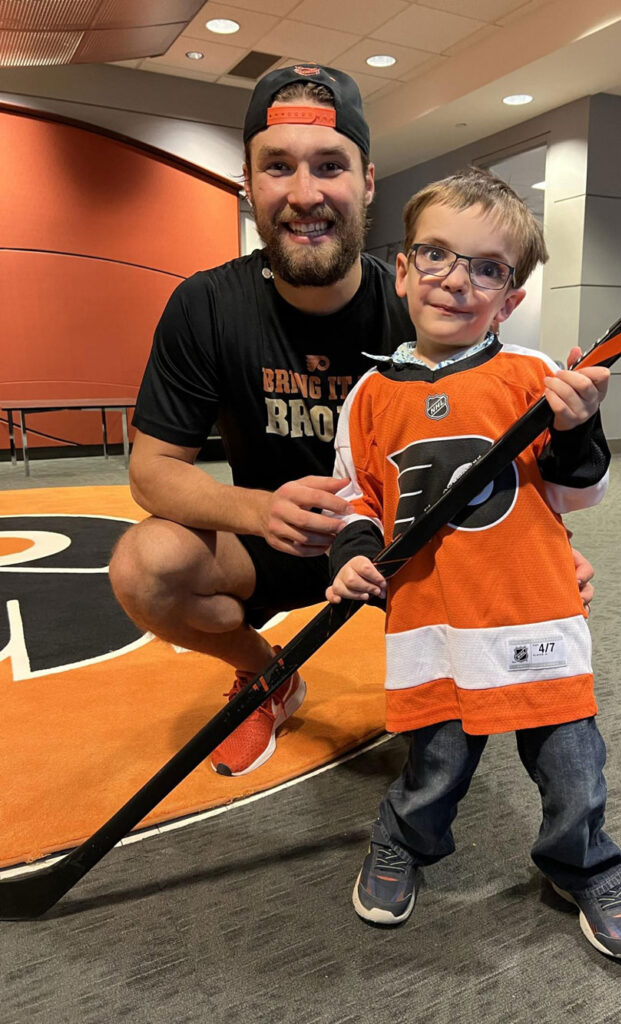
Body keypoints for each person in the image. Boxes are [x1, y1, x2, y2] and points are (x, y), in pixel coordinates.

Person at [109, 64, 596, 780]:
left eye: (329, 166)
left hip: (409, 543)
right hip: (273, 539)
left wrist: (550, 548)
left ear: (367, 182)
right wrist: (259, 508)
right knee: (145, 568)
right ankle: (267, 678)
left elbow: (500, 447)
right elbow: (151, 471)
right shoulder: (205, 306)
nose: (305, 195)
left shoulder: (424, 306)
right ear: (248, 183)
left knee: (528, 669)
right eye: (278, 167)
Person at [325, 167, 621, 961]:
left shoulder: (535, 378)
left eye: (487, 268)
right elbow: (354, 499)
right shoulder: (369, 394)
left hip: (533, 611)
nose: (455, 280)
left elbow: (582, 492)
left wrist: (579, 428)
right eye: (434, 255)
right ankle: (403, 841)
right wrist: (355, 553)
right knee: (435, 763)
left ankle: (583, 867)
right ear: (401, 269)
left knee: (573, 766)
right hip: (431, 618)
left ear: (509, 300)